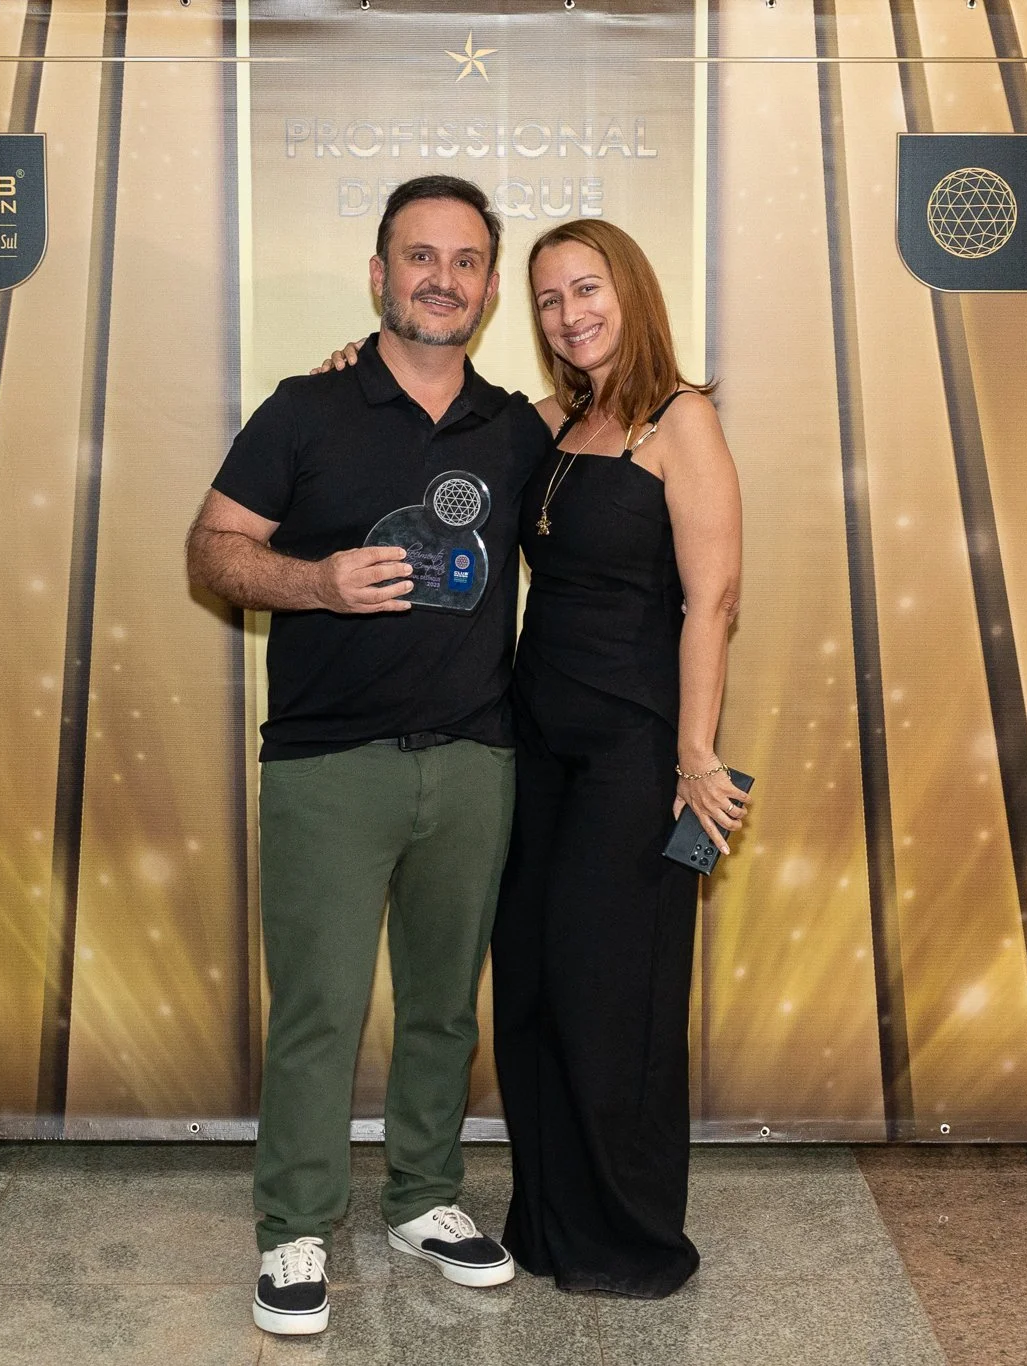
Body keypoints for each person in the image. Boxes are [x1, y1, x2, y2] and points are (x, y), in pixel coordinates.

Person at [320, 218, 745, 1299]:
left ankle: (628, 1238)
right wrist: (357, 366)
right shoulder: (548, 423)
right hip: (531, 747)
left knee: (613, 997)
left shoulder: (681, 419)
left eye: (587, 290)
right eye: (550, 298)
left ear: (630, 290)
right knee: (536, 988)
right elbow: (441, 427)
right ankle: (549, 1223)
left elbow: (714, 601)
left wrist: (695, 754)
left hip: (633, 755)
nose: (569, 314)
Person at [186, 175, 553, 1337]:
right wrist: (316, 582)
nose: (441, 278)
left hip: (476, 762)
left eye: (464, 260)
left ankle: (423, 1198)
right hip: (327, 766)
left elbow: (615, 427)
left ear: (487, 290)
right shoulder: (305, 408)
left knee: (443, 1006)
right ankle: (294, 1225)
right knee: (320, 1008)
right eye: (418, 256)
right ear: (378, 275)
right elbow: (212, 550)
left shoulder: (516, 429)